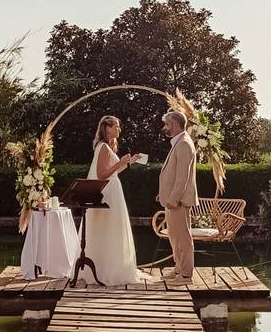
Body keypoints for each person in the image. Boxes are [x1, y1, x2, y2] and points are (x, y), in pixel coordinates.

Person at [83, 115, 150, 285]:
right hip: (109, 192)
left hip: (114, 191)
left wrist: (129, 162)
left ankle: (112, 266)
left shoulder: (108, 146)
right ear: (107, 127)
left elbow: (113, 172)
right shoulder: (103, 147)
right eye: (117, 126)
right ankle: (107, 269)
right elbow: (101, 175)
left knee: (112, 228)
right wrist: (119, 162)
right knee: (110, 227)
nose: (119, 129)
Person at [157, 111, 198, 280]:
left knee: (182, 238)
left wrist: (173, 199)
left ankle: (186, 274)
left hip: (178, 202)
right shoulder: (179, 142)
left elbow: (183, 177)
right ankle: (178, 269)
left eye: (167, 124)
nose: (165, 127)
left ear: (174, 124)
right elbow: (173, 175)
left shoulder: (183, 144)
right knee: (175, 237)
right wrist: (164, 195)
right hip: (172, 201)